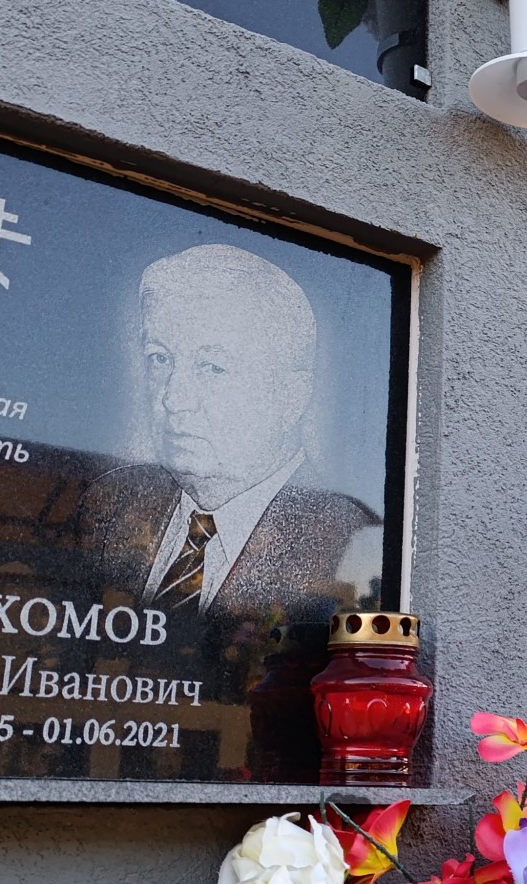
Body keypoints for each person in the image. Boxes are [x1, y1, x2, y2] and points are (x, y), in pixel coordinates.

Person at [78, 244, 381, 685]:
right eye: (160, 358)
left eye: (212, 367)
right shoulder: (110, 505)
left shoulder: (351, 541)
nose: (174, 398)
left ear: (291, 396)